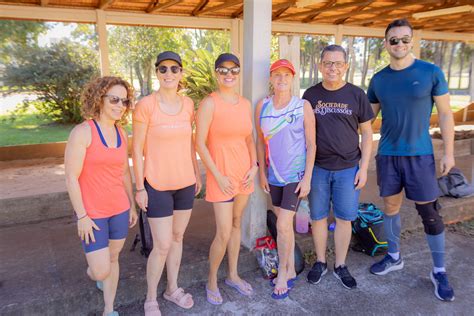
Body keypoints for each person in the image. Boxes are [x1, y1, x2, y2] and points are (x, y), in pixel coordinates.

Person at [367, 19, 455, 301]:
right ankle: (394, 256)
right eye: (394, 40)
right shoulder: (379, 79)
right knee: (390, 207)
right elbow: (366, 120)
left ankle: (439, 270)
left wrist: (449, 152)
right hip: (389, 155)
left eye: (405, 39)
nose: (400, 44)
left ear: (412, 41)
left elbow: (445, 114)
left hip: (420, 155)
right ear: (386, 44)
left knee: (429, 213)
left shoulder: (431, 72)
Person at [132, 51, 202, 315]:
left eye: (174, 69)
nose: (169, 74)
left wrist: (196, 173)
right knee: (161, 244)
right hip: (157, 184)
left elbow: (191, 143)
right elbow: (136, 150)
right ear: (157, 73)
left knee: (177, 237)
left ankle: (172, 289)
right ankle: (151, 297)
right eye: (163, 69)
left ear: (181, 73)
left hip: (184, 182)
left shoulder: (188, 105)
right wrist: (140, 187)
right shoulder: (145, 105)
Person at [65, 76, 138, 316]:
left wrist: (131, 206)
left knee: (114, 258)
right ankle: (98, 275)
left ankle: (109, 309)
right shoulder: (83, 132)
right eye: (114, 99)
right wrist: (82, 216)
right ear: (100, 99)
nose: (120, 105)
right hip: (93, 214)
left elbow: (124, 172)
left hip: (118, 208)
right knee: (100, 270)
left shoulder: (121, 132)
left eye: (124, 101)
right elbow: (71, 178)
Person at [303, 45, 374, 289]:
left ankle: (340, 265)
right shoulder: (310, 95)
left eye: (337, 63)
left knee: (344, 218)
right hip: (319, 168)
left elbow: (367, 133)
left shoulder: (356, 94)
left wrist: (363, 168)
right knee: (319, 217)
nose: (332, 67)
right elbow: (304, 134)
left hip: (348, 169)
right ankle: (321, 261)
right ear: (320, 66)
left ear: (346, 66)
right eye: (328, 63)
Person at [195, 53, 258, 305]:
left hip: (243, 174)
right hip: (220, 176)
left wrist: (253, 166)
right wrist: (218, 176)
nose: (228, 74)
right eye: (223, 70)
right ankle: (212, 280)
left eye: (233, 70)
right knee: (222, 232)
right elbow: (199, 143)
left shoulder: (244, 104)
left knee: (235, 224)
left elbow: (248, 138)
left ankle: (233, 275)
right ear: (216, 73)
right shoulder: (209, 103)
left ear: (239, 73)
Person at [255, 59, 316, 299]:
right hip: (274, 175)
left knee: (281, 225)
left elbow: (311, 144)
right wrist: (261, 171)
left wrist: (308, 177)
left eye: (286, 75)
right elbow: (260, 141)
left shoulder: (302, 106)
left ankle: (282, 273)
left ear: (292, 78)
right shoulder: (263, 106)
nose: (281, 79)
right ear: (271, 78)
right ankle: (291, 268)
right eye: (277, 75)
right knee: (284, 225)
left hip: (295, 175)